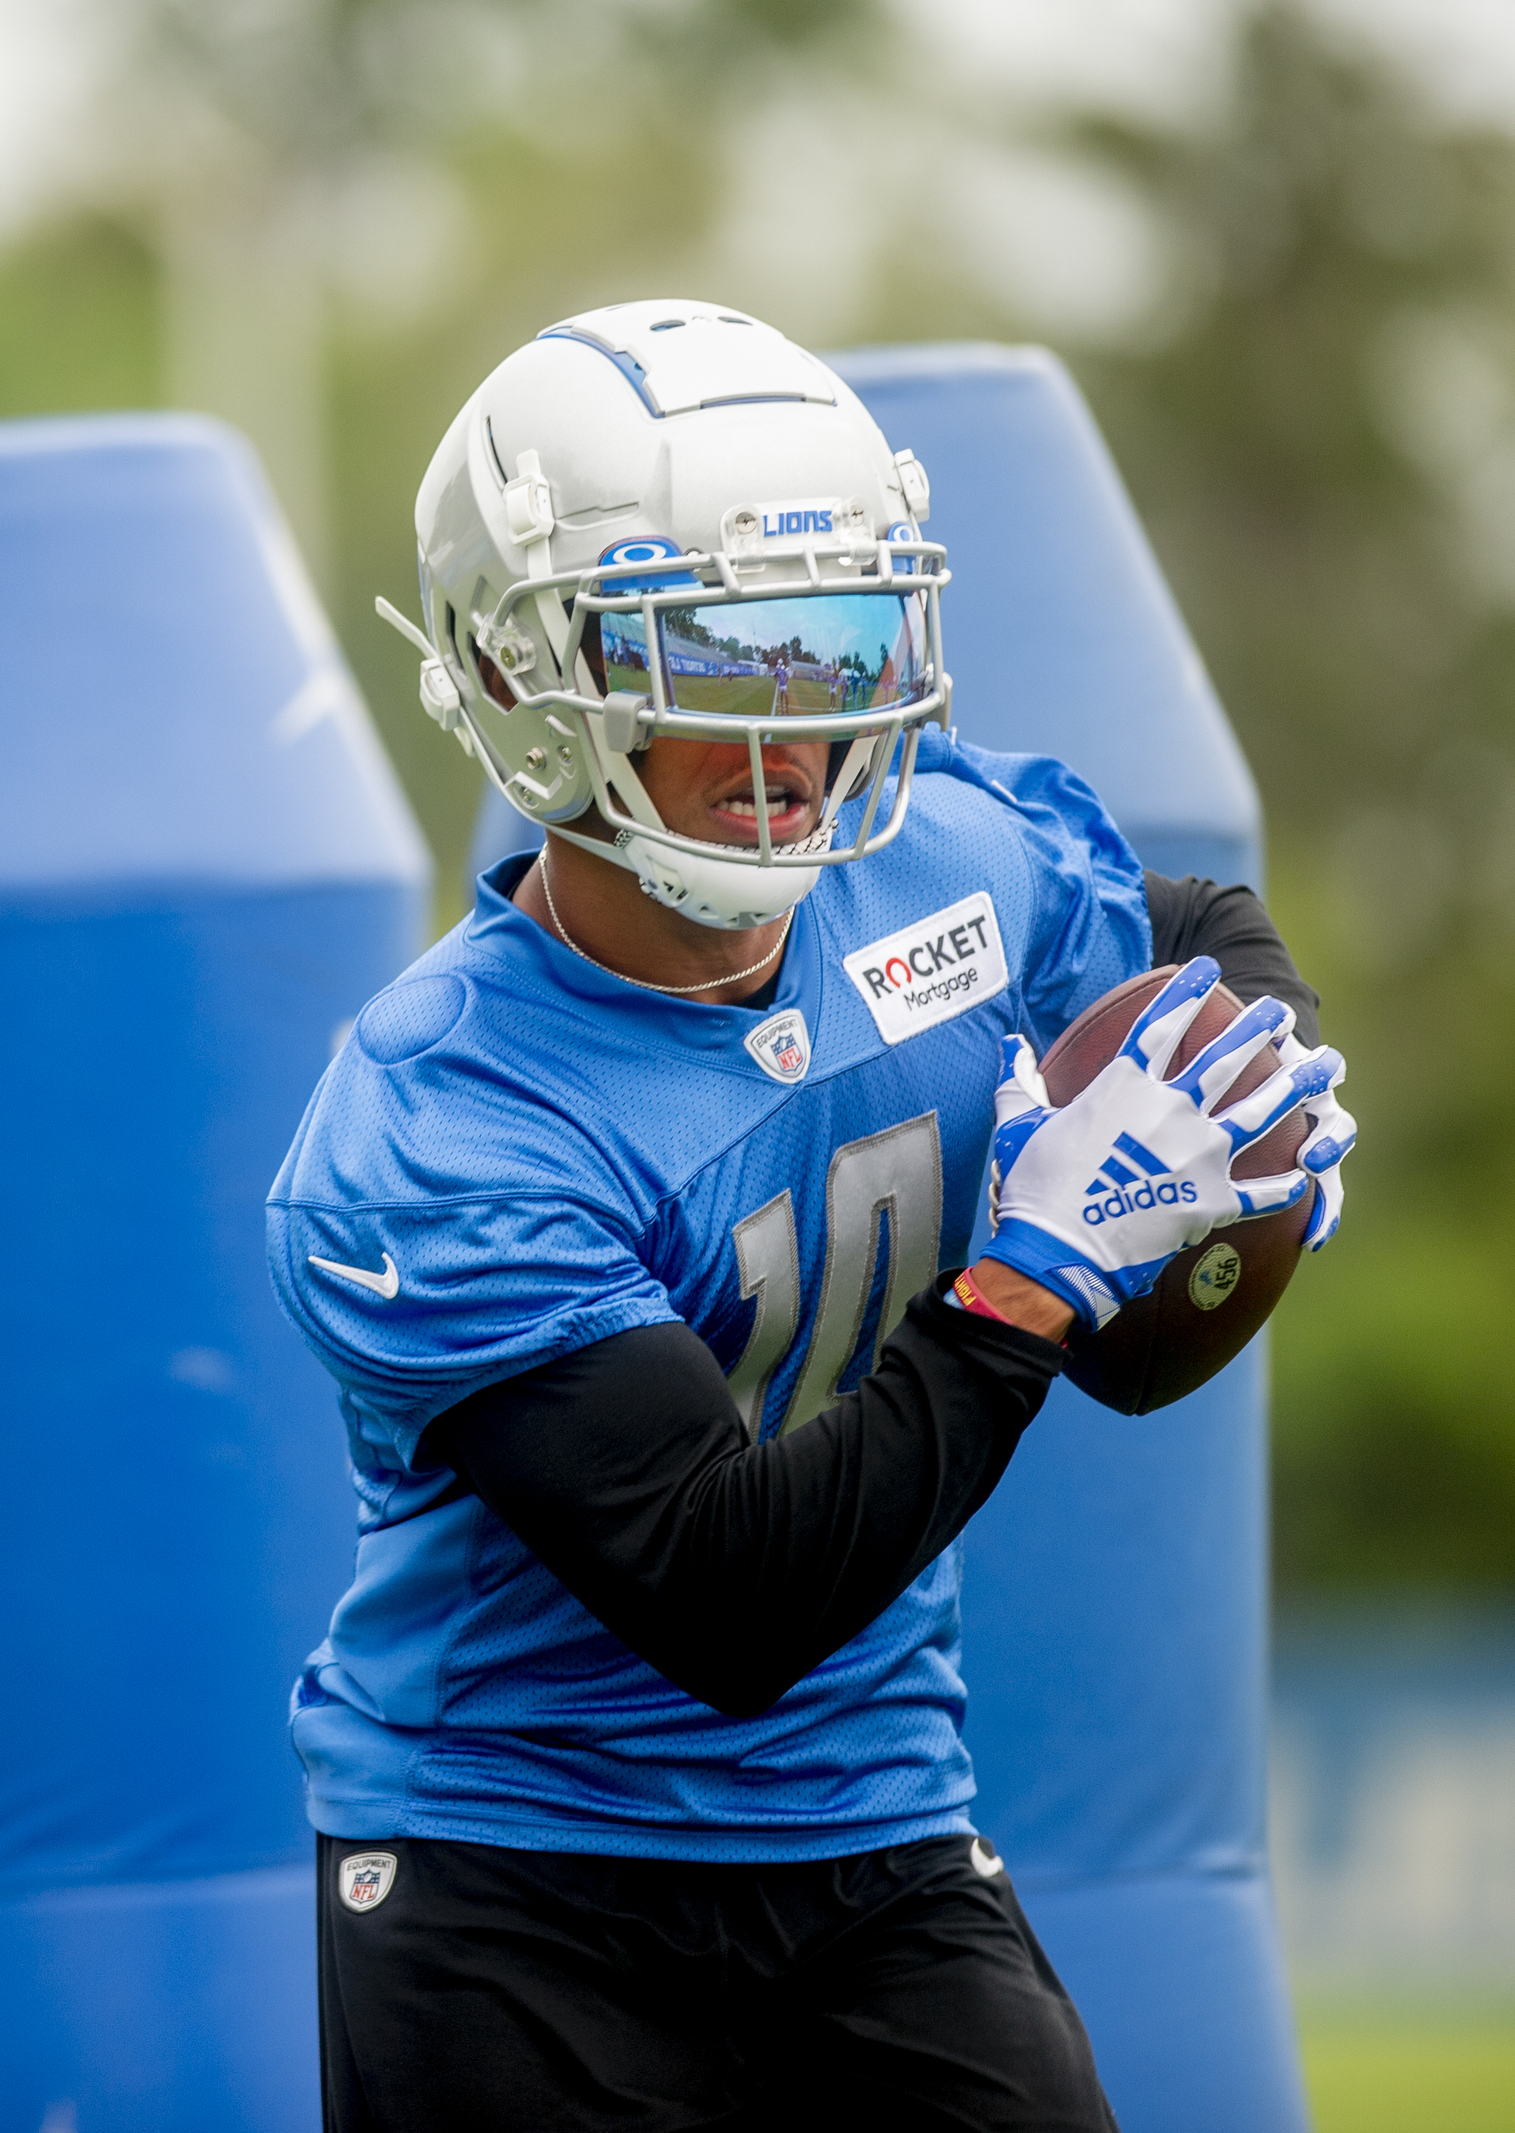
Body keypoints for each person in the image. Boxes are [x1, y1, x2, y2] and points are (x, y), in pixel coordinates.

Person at [274, 299, 1361, 2130]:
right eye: (704, 645)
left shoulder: (950, 860)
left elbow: (1201, 927)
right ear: (530, 674)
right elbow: (727, 1589)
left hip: (875, 1816)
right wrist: (1034, 1276)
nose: (781, 716)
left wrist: (1251, 1099)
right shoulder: (445, 1118)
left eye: (832, 636)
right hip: (517, 1866)